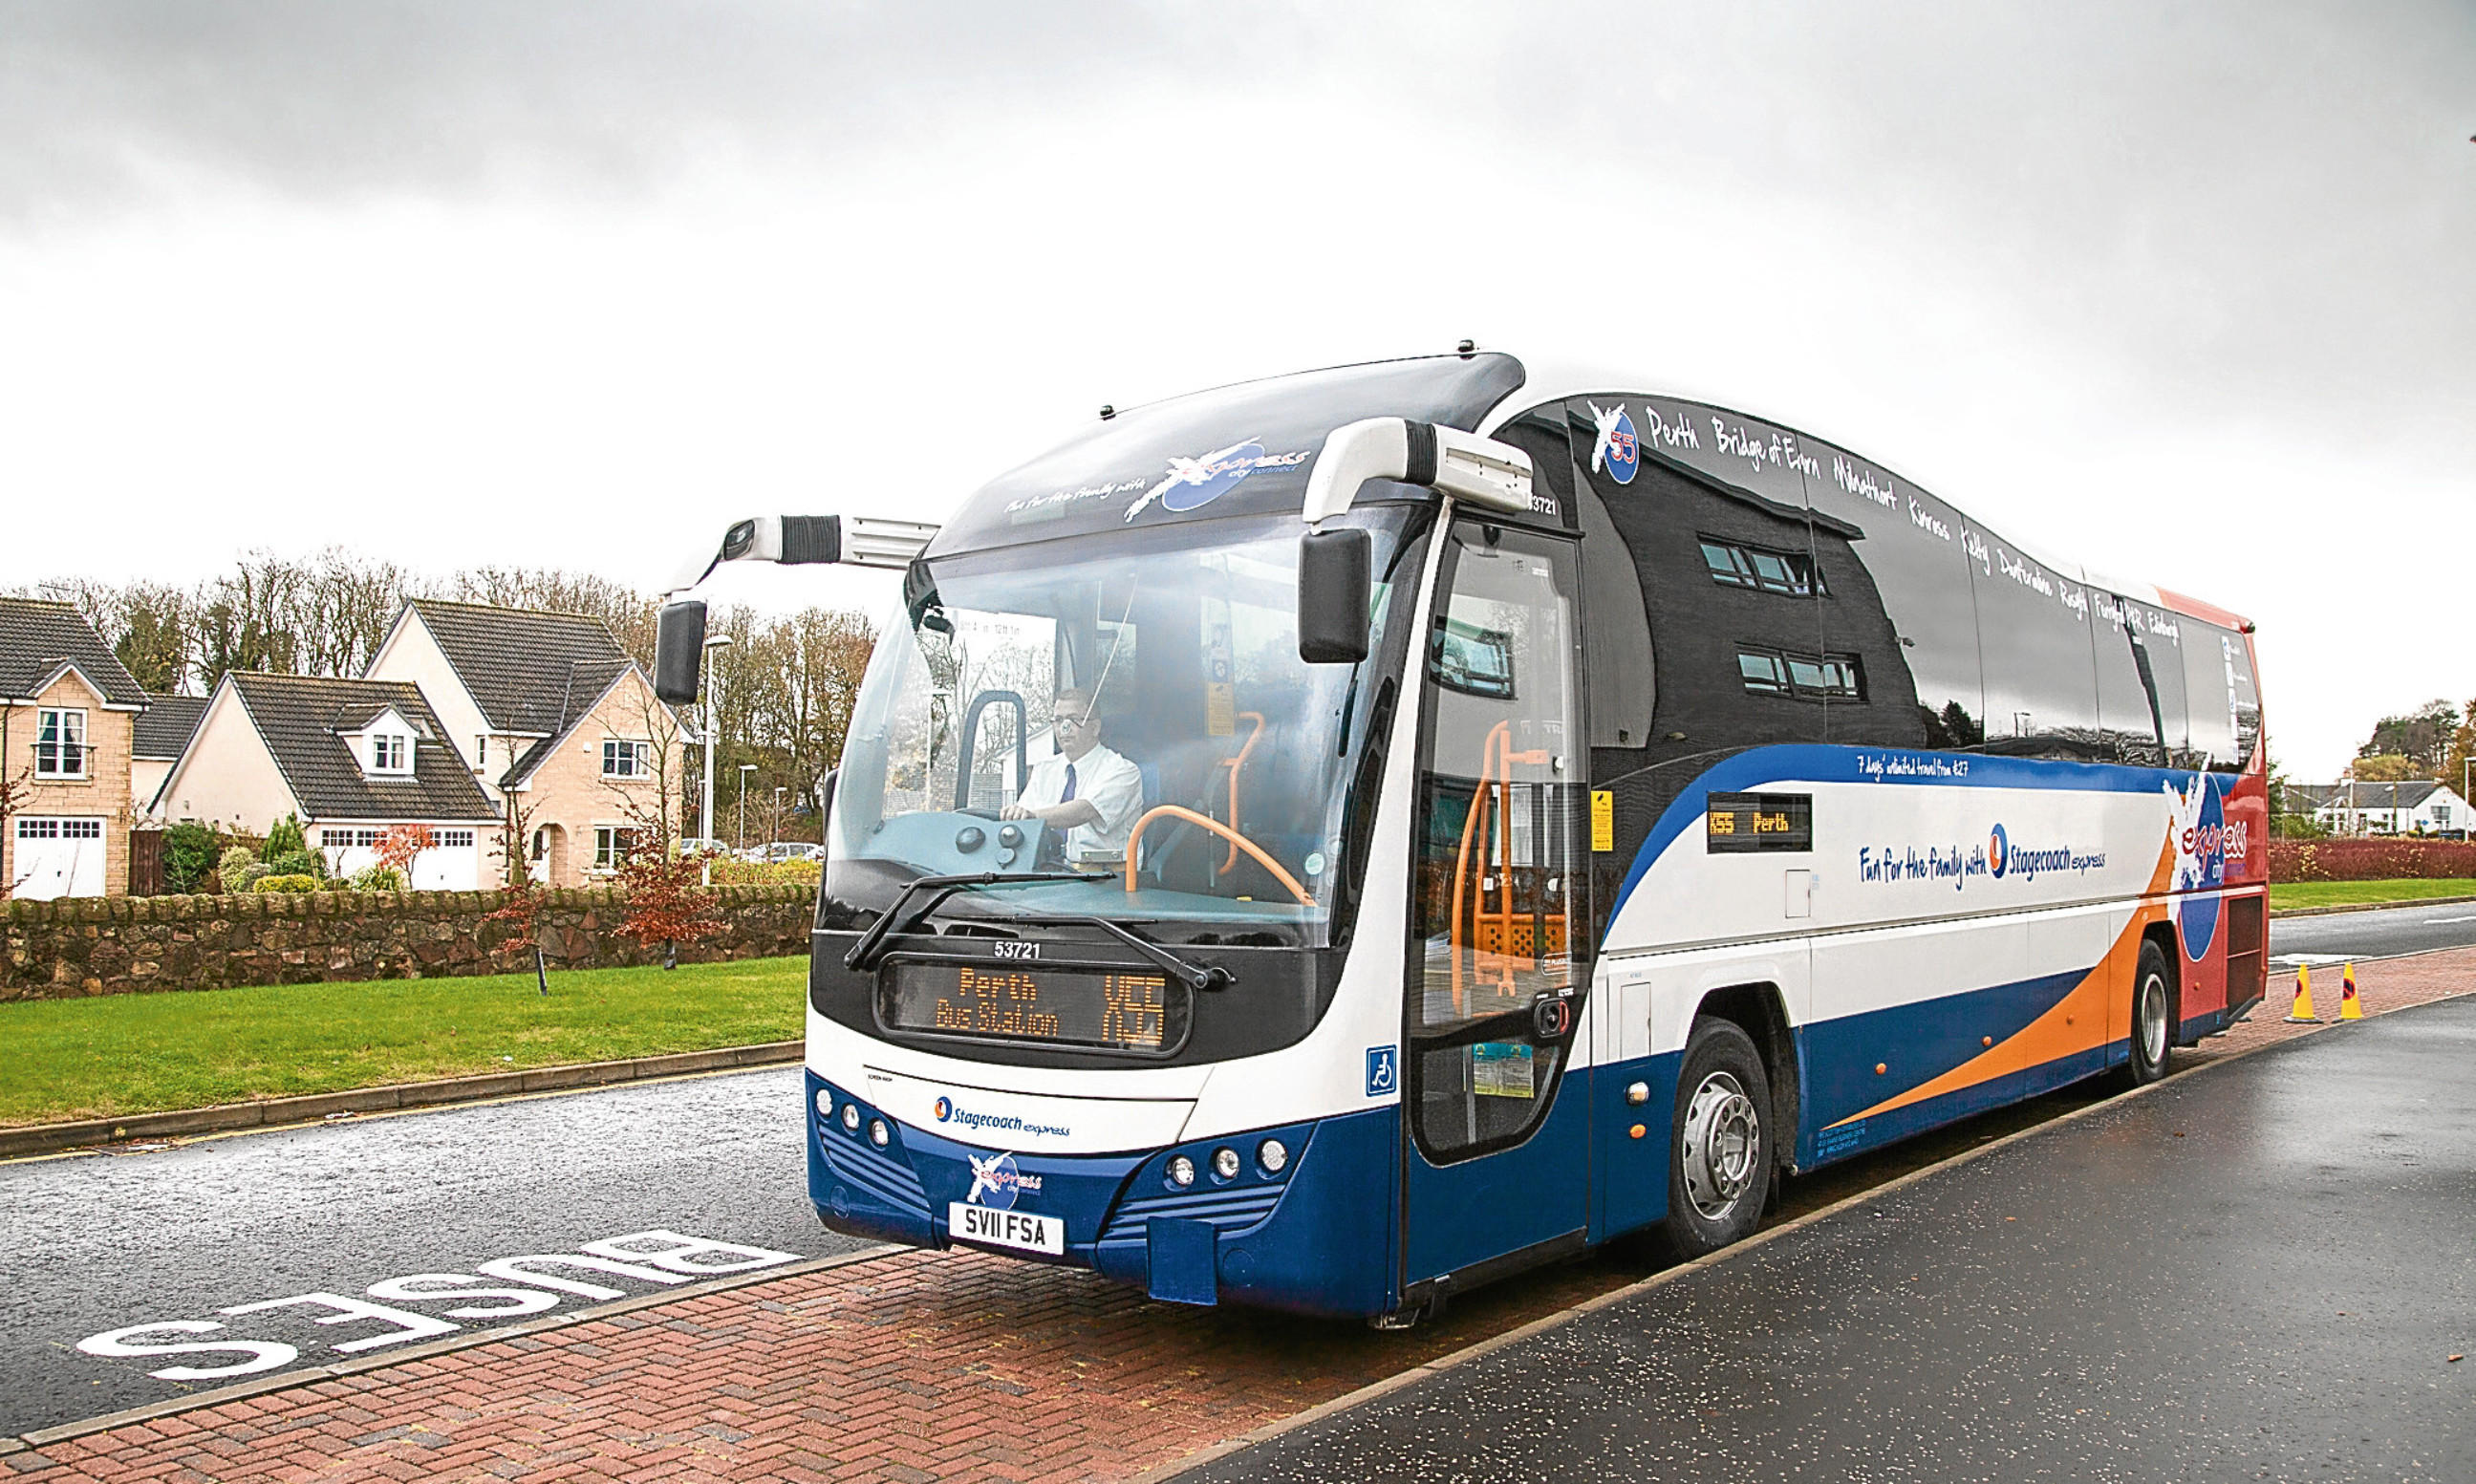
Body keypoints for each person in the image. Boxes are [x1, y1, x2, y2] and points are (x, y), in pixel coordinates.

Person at [1001, 685, 1144, 866]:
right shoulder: (1044, 770)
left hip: (1108, 881)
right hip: (1049, 876)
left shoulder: (1123, 771)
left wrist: (1031, 817)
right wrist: (1016, 816)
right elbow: (1023, 821)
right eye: (1058, 720)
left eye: (1074, 720)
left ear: (1094, 727)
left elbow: (1084, 811)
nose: (1065, 728)